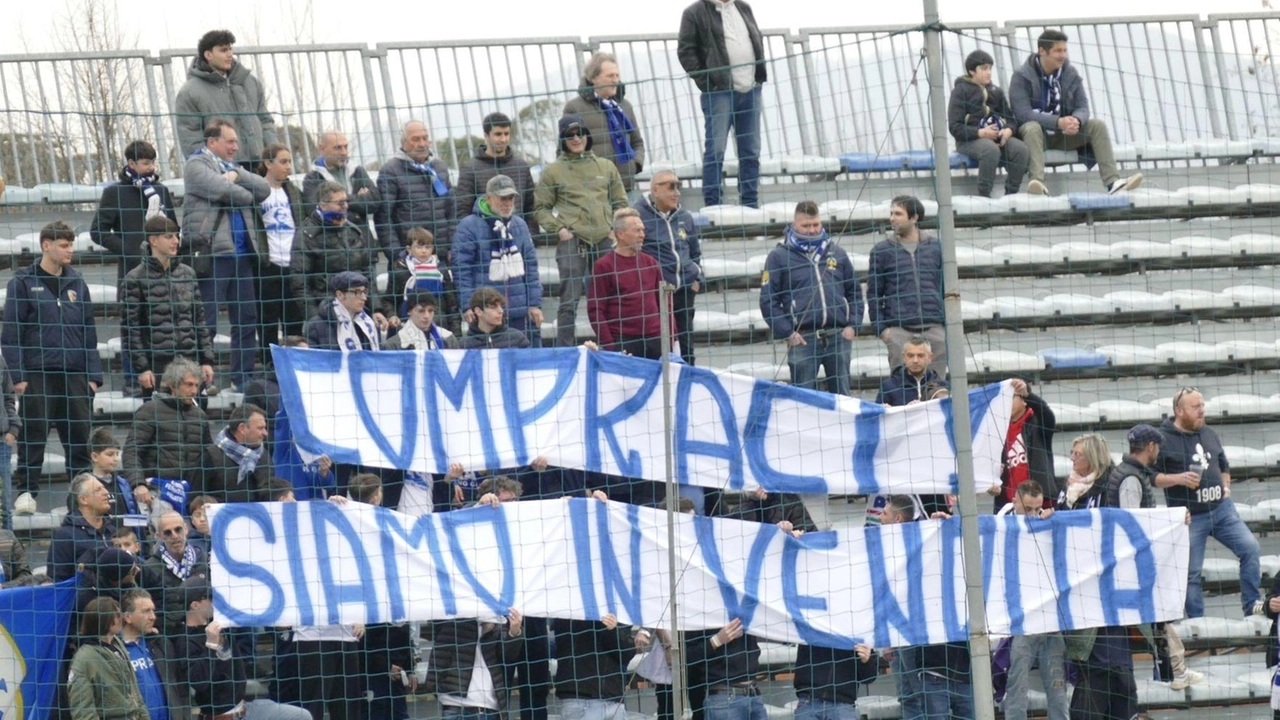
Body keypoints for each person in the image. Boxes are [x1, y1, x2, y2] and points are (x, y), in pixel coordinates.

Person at [2, 220, 103, 515]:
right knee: (34, 436)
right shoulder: (22, 282)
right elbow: (11, 332)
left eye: (71, 244)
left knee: (80, 440)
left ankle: (80, 497)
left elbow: (89, 332)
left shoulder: (77, 283)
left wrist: (93, 377)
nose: (69, 250)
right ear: (46, 245)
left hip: (74, 376)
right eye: (63, 245)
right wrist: (18, 376)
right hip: (38, 375)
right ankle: (27, 493)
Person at [1107, 423, 1203, 691]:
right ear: (1150, 447)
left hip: (1133, 565)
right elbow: (1133, 523)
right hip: (1133, 567)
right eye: (1157, 446)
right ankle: (1175, 671)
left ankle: (1175, 670)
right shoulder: (1130, 478)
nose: (1158, 451)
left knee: (1159, 618)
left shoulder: (1132, 473)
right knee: (1157, 618)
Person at [1155, 387, 1262, 618]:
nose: (1202, 411)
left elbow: (1224, 465)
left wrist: (1225, 485)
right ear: (1179, 410)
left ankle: (1252, 604)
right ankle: (1198, 623)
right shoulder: (1162, 440)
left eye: (1202, 405)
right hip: (1191, 517)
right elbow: (1151, 478)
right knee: (1191, 573)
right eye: (1196, 407)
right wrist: (1178, 479)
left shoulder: (1209, 432)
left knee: (1251, 549)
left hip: (1222, 510)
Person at [181, 118, 271, 389]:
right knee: (206, 320)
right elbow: (224, 191)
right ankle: (199, 380)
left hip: (242, 256)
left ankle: (241, 378)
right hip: (212, 255)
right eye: (230, 141)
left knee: (246, 319)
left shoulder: (233, 168)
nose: (235, 147)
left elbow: (265, 189)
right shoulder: (196, 165)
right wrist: (244, 190)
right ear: (212, 142)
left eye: (236, 141)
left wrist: (238, 175)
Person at [1057, 437, 1137, 720]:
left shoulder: (1110, 486)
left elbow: (1136, 519)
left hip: (1108, 587)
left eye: (1076, 454)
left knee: (1108, 659)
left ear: (1091, 457)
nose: (1071, 459)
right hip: (1077, 589)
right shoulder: (1065, 490)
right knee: (1092, 659)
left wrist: (1177, 519)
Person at [1009, 29, 1144, 196]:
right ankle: (1038, 185)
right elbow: (1023, 114)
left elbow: (1083, 107)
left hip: (1064, 135)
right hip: (1035, 138)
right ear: (1042, 51)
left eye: (1064, 50)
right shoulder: (1021, 76)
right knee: (1031, 127)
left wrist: (1076, 121)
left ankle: (1113, 182)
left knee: (1097, 126)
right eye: (1058, 51)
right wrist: (1058, 122)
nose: (1063, 55)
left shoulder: (1070, 73)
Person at [533, 114, 628, 347]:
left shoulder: (606, 166)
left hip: (605, 239)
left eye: (580, 133)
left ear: (587, 135)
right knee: (569, 300)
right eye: (569, 135)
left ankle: (616, 345)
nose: (576, 139)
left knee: (612, 297)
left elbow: (621, 202)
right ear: (562, 139)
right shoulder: (552, 171)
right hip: (572, 241)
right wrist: (560, 229)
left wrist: (613, 230)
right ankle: (566, 350)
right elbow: (540, 209)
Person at [173, 573, 312, 720]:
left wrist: (277, 622)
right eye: (211, 598)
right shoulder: (185, 640)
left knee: (301, 716)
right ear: (195, 605)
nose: (216, 602)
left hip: (247, 707)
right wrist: (211, 645)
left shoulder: (221, 623)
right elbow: (199, 682)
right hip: (222, 716)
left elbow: (246, 608)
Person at [759, 201, 863, 395]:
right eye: (806, 226)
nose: (812, 230)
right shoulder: (779, 257)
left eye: (816, 225)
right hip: (803, 339)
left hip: (838, 336)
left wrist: (853, 325)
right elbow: (768, 300)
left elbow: (855, 291)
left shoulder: (836, 252)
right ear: (794, 224)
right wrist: (787, 333)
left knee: (843, 399)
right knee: (803, 400)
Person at [677, 0, 767, 208]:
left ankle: (750, 203)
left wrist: (758, 77)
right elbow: (686, 52)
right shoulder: (694, 13)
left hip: (751, 89)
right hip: (719, 93)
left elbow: (756, 40)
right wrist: (708, 83)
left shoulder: (744, 7)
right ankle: (713, 203)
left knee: (751, 150)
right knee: (716, 150)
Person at [994, 481, 1067, 720]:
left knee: (1058, 690)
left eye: (1037, 508)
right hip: (1022, 623)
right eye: (1028, 509)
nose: (1033, 514)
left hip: (1050, 620)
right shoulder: (1000, 523)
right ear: (1015, 501)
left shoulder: (1048, 522)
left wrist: (1054, 523)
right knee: (1017, 688)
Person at [122, 216, 217, 397]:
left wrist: (206, 360)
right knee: (161, 421)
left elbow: (199, 320)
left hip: (189, 362)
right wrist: (143, 368)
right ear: (153, 241)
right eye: (169, 237)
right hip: (157, 366)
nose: (175, 241)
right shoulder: (135, 278)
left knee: (194, 420)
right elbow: (130, 329)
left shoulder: (188, 273)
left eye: (176, 236)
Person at [453, 175, 544, 346]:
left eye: (511, 198)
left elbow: (531, 267)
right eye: (502, 198)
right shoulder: (468, 226)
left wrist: (534, 303)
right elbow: (461, 270)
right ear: (488, 198)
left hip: (518, 311)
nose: (507, 202)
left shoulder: (520, 225)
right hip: (485, 314)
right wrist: (467, 305)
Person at [866, 196, 946, 378]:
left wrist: (945, 326)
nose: (892, 218)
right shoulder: (881, 251)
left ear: (914, 218)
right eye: (891, 213)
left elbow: (946, 286)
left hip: (934, 328)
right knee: (901, 388)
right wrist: (883, 330)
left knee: (936, 387)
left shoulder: (936, 247)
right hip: (899, 330)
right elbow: (874, 293)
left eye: (898, 214)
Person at [173, 29, 277, 164]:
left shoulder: (251, 82)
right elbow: (190, 138)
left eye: (230, 49)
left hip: (261, 167)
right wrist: (212, 170)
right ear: (208, 54)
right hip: (221, 173)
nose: (230, 55)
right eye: (223, 50)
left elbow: (266, 121)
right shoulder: (189, 92)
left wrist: (273, 155)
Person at [90, 140, 179, 290]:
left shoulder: (160, 190)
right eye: (146, 163)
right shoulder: (115, 193)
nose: (151, 167)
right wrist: (128, 251)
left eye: (153, 162)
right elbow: (98, 231)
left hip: (164, 267)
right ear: (131, 163)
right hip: (131, 270)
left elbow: (173, 226)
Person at [588, 208, 674, 360]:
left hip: (656, 341)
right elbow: (596, 310)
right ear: (620, 234)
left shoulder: (651, 263)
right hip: (624, 343)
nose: (642, 235)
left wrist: (670, 339)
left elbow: (665, 303)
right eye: (637, 231)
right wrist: (610, 346)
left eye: (642, 230)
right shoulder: (604, 266)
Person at [636, 170, 702, 365]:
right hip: (656, 296)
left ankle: (687, 391)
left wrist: (698, 279)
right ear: (655, 190)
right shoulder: (638, 215)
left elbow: (695, 253)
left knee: (687, 349)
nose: (677, 192)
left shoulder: (685, 217)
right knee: (659, 349)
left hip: (684, 293)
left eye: (679, 186)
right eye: (671, 186)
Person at [290, 181, 384, 320]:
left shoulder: (354, 231)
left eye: (346, 202)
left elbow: (367, 272)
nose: (345, 206)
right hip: (327, 312)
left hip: (359, 310)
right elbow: (300, 283)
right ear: (323, 205)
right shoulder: (306, 236)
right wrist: (314, 318)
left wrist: (376, 309)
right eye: (340, 203)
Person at [122, 359, 216, 491]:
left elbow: (209, 455)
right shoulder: (150, 410)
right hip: (157, 489)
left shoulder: (200, 415)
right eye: (189, 385)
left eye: (196, 385)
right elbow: (132, 451)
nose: (194, 391)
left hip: (192, 491)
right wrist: (138, 484)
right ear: (173, 386)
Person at [562, 52, 646, 193]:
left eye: (617, 76)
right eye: (610, 76)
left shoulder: (625, 106)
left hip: (625, 189)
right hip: (593, 192)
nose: (615, 80)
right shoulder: (574, 108)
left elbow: (637, 142)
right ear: (593, 78)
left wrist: (635, 164)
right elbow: (565, 150)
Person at [948, 50, 1028, 198]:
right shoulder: (960, 92)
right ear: (972, 71)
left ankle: (1011, 195)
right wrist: (980, 133)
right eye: (984, 68)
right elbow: (955, 127)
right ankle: (984, 196)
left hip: (997, 138)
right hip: (969, 141)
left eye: (990, 68)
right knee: (990, 150)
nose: (989, 72)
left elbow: (1010, 118)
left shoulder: (996, 92)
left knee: (1020, 149)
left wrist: (1009, 130)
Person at [376, 120, 457, 265]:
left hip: (441, 256)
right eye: (416, 139)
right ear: (404, 143)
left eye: (425, 138)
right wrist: (396, 255)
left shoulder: (440, 168)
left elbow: (451, 211)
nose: (422, 144)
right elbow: (384, 218)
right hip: (408, 258)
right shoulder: (391, 171)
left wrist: (451, 246)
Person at [426, 605, 524, 720]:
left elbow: (507, 657)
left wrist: (514, 632)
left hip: (488, 707)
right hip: (455, 705)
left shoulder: (497, 621)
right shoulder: (450, 618)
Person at [256, 143, 306, 360]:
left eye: (290, 162)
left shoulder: (292, 191)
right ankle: (269, 364)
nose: (288, 167)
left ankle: (293, 362)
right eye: (283, 161)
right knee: (267, 320)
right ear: (268, 163)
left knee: (294, 320)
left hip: (292, 264)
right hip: (269, 265)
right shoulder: (257, 191)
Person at [67, 596, 149, 720]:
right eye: (116, 615)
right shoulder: (84, 658)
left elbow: (135, 692)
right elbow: (83, 711)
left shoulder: (118, 644)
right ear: (104, 619)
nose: (120, 618)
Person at [455, 112, 538, 233]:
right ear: (486, 135)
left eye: (506, 134)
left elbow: (531, 207)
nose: (503, 139)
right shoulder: (470, 168)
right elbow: (463, 210)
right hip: (485, 239)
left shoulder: (521, 167)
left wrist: (530, 237)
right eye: (498, 134)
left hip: (517, 236)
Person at [552, 614, 637, 720]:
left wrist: (612, 631)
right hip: (581, 699)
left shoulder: (618, 610)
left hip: (614, 700)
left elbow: (626, 654)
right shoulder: (568, 607)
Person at [121, 589, 186, 720]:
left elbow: (178, 688)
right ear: (128, 617)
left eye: (153, 610)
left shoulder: (160, 644)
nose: (153, 617)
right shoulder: (114, 651)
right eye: (146, 611)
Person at [142, 511, 210, 634]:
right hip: (168, 635)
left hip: (203, 632)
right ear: (159, 536)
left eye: (178, 530)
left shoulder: (203, 559)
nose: (174, 536)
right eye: (168, 532)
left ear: (186, 529)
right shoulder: (149, 568)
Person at [301, 129, 380, 233]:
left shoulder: (357, 171)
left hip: (363, 239)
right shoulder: (313, 179)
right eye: (338, 148)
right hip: (333, 240)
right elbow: (316, 212)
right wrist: (359, 200)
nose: (344, 152)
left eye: (345, 147)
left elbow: (374, 202)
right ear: (322, 149)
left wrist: (336, 201)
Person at [997, 378, 1058, 511]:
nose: (1006, 402)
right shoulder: (998, 429)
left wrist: (1028, 395)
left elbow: (1047, 414)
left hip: (1040, 503)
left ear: (1024, 400)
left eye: (1011, 397)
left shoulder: (1038, 423)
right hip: (1010, 504)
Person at [49, 473, 115, 582]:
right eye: (98, 490)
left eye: (104, 488)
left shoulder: (112, 530)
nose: (106, 493)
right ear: (83, 499)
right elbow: (58, 579)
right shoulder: (65, 535)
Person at [304, 272, 384, 351]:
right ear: (340, 295)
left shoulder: (369, 322)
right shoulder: (315, 326)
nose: (364, 298)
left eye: (364, 292)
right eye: (357, 292)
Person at [208, 404, 271, 503]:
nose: (265, 433)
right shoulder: (211, 456)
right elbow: (196, 500)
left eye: (265, 428)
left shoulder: (264, 455)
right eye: (260, 428)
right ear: (242, 428)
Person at [89, 427, 152, 520]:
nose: (115, 459)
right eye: (110, 454)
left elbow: (135, 517)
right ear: (94, 457)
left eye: (117, 454)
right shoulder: (85, 486)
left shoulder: (124, 484)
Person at [390, 228, 449, 318]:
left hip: (439, 321)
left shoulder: (441, 271)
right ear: (409, 249)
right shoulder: (400, 271)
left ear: (432, 248)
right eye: (419, 247)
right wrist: (392, 315)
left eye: (427, 247)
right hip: (407, 322)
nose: (424, 251)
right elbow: (389, 300)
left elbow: (451, 303)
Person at [876, 336, 948, 406]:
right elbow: (876, 416)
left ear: (930, 357)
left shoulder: (942, 386)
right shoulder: (889, 387)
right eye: (910, 356)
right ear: (904, 357)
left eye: (920, 355)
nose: (915, 360)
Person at [458, 288, 531, 350]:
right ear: (478, 312)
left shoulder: (517, 338)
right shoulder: (464, 345)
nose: (501, 311)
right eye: (493, 307)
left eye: (501, 306)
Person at [385, 293, 456, 351]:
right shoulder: (394, 344)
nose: (427, 316)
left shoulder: (448, 338)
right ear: (409, 312)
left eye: (430, 311)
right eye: (421, 311)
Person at [0, 354, 19, 524]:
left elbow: (9, 396)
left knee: (4, 509)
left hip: (1, 443)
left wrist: (13, 428)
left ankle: (7, 551)